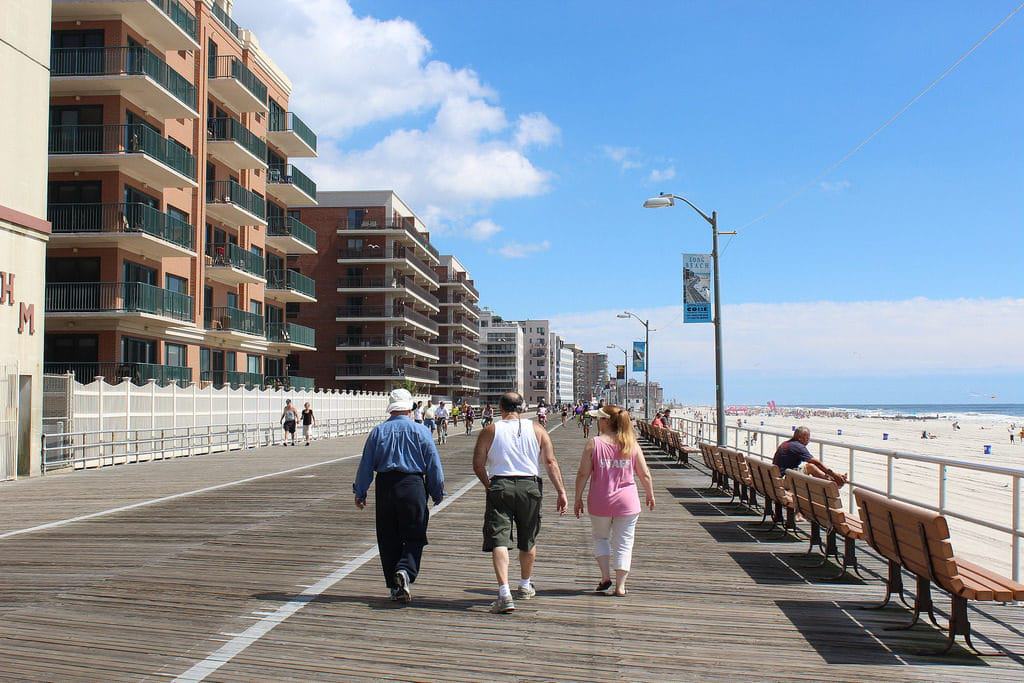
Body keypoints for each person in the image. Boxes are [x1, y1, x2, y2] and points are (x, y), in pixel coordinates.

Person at [472, 391, 568, 614]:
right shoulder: (537, 429)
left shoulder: (490, 430)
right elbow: (551, 462)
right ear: (522, 408)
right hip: (530, 486)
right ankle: (525, 585)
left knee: (499, 539)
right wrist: (561, 491)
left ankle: (504, 593)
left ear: (500, 408)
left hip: (500, 486)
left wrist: (489, 485)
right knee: (528, 538)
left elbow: (478, 465)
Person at [353, 389, 445, 603]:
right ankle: (405, 570)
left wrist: (360, 491)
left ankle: (395, 588)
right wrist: (437, 492)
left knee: (388, 536)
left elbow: (366, 464)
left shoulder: (378, 431)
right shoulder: (421, 431)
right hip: (413, 485)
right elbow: (433, 465)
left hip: (385, 485)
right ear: (410, 408)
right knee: (415, 533)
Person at [573, 405, 655, 596]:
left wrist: (577, 498)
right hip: (627, 502)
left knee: (600, 538)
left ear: (606, 421)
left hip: (600, 500)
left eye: (599, 419)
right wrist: (649, 494)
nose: (596, 422)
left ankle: (605, 577)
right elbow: (645, 474)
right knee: (625, 542)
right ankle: (620, 586)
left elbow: (583, 473)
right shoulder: (631, 444)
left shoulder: (594, 443)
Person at [773, 427, 847, 487]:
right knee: (810, 467)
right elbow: (816, 463)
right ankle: (834, 484)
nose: (808, 441)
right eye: (807, 438)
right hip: (783, 481)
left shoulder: (786, 443)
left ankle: (833, 480)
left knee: (809, 467)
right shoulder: (798, 446)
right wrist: (834, 475)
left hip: (774, 479)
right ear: (800, 438)